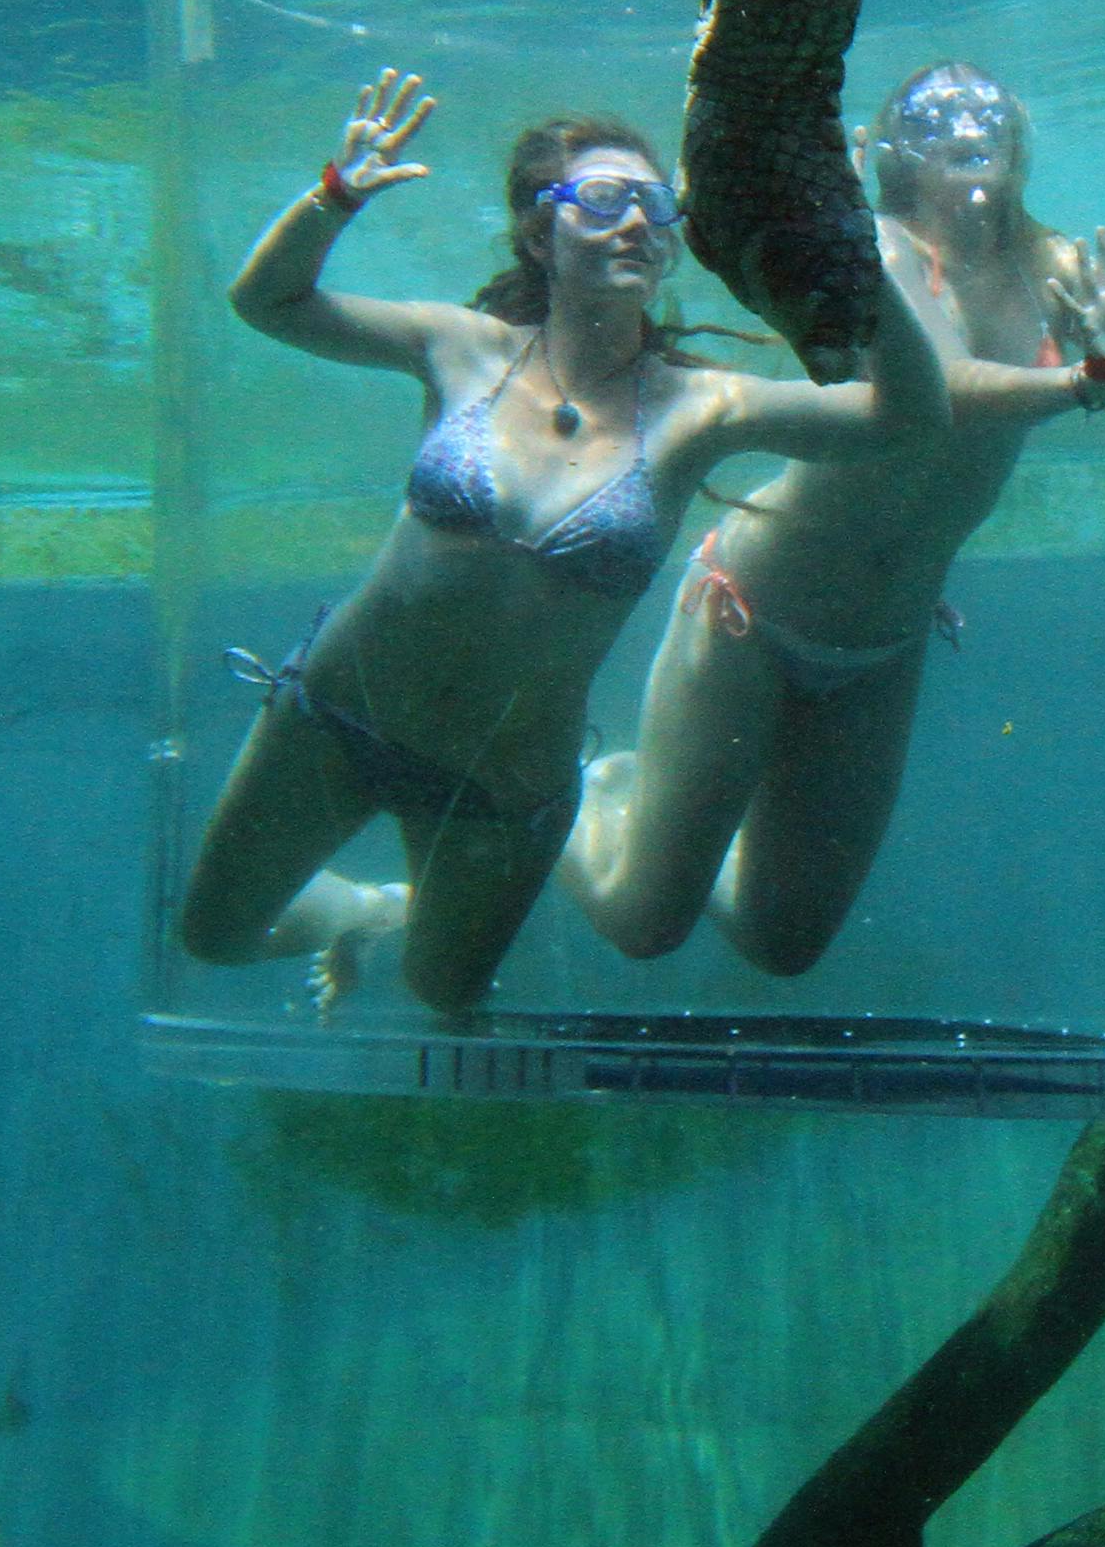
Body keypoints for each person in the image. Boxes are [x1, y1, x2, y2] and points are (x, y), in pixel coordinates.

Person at [179, 67, 952, 1020]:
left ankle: (414, 921)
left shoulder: (701, 407)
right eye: (602, 198)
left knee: (445, 997)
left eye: (653, 204)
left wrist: (861, 267)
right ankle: (371, 910)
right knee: (212, 936)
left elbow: (910, 418)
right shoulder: (458, 345)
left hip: (502, 783)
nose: (637, 221)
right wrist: (335, 194)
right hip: (338, 720)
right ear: (540, 231)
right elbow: (268, 301)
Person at [563, 62, 1105, 977]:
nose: (969, 122)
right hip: (748, 609)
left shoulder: (1061, 270)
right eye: (941, 121)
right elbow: (944, 394)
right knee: (645, 923)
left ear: (1021, 148)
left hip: (883, 645)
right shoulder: (879, 250)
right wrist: (1094, 377)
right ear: (901, 157)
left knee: (782, 941)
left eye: (989, 116)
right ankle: (586, 788)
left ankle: (662, 815)